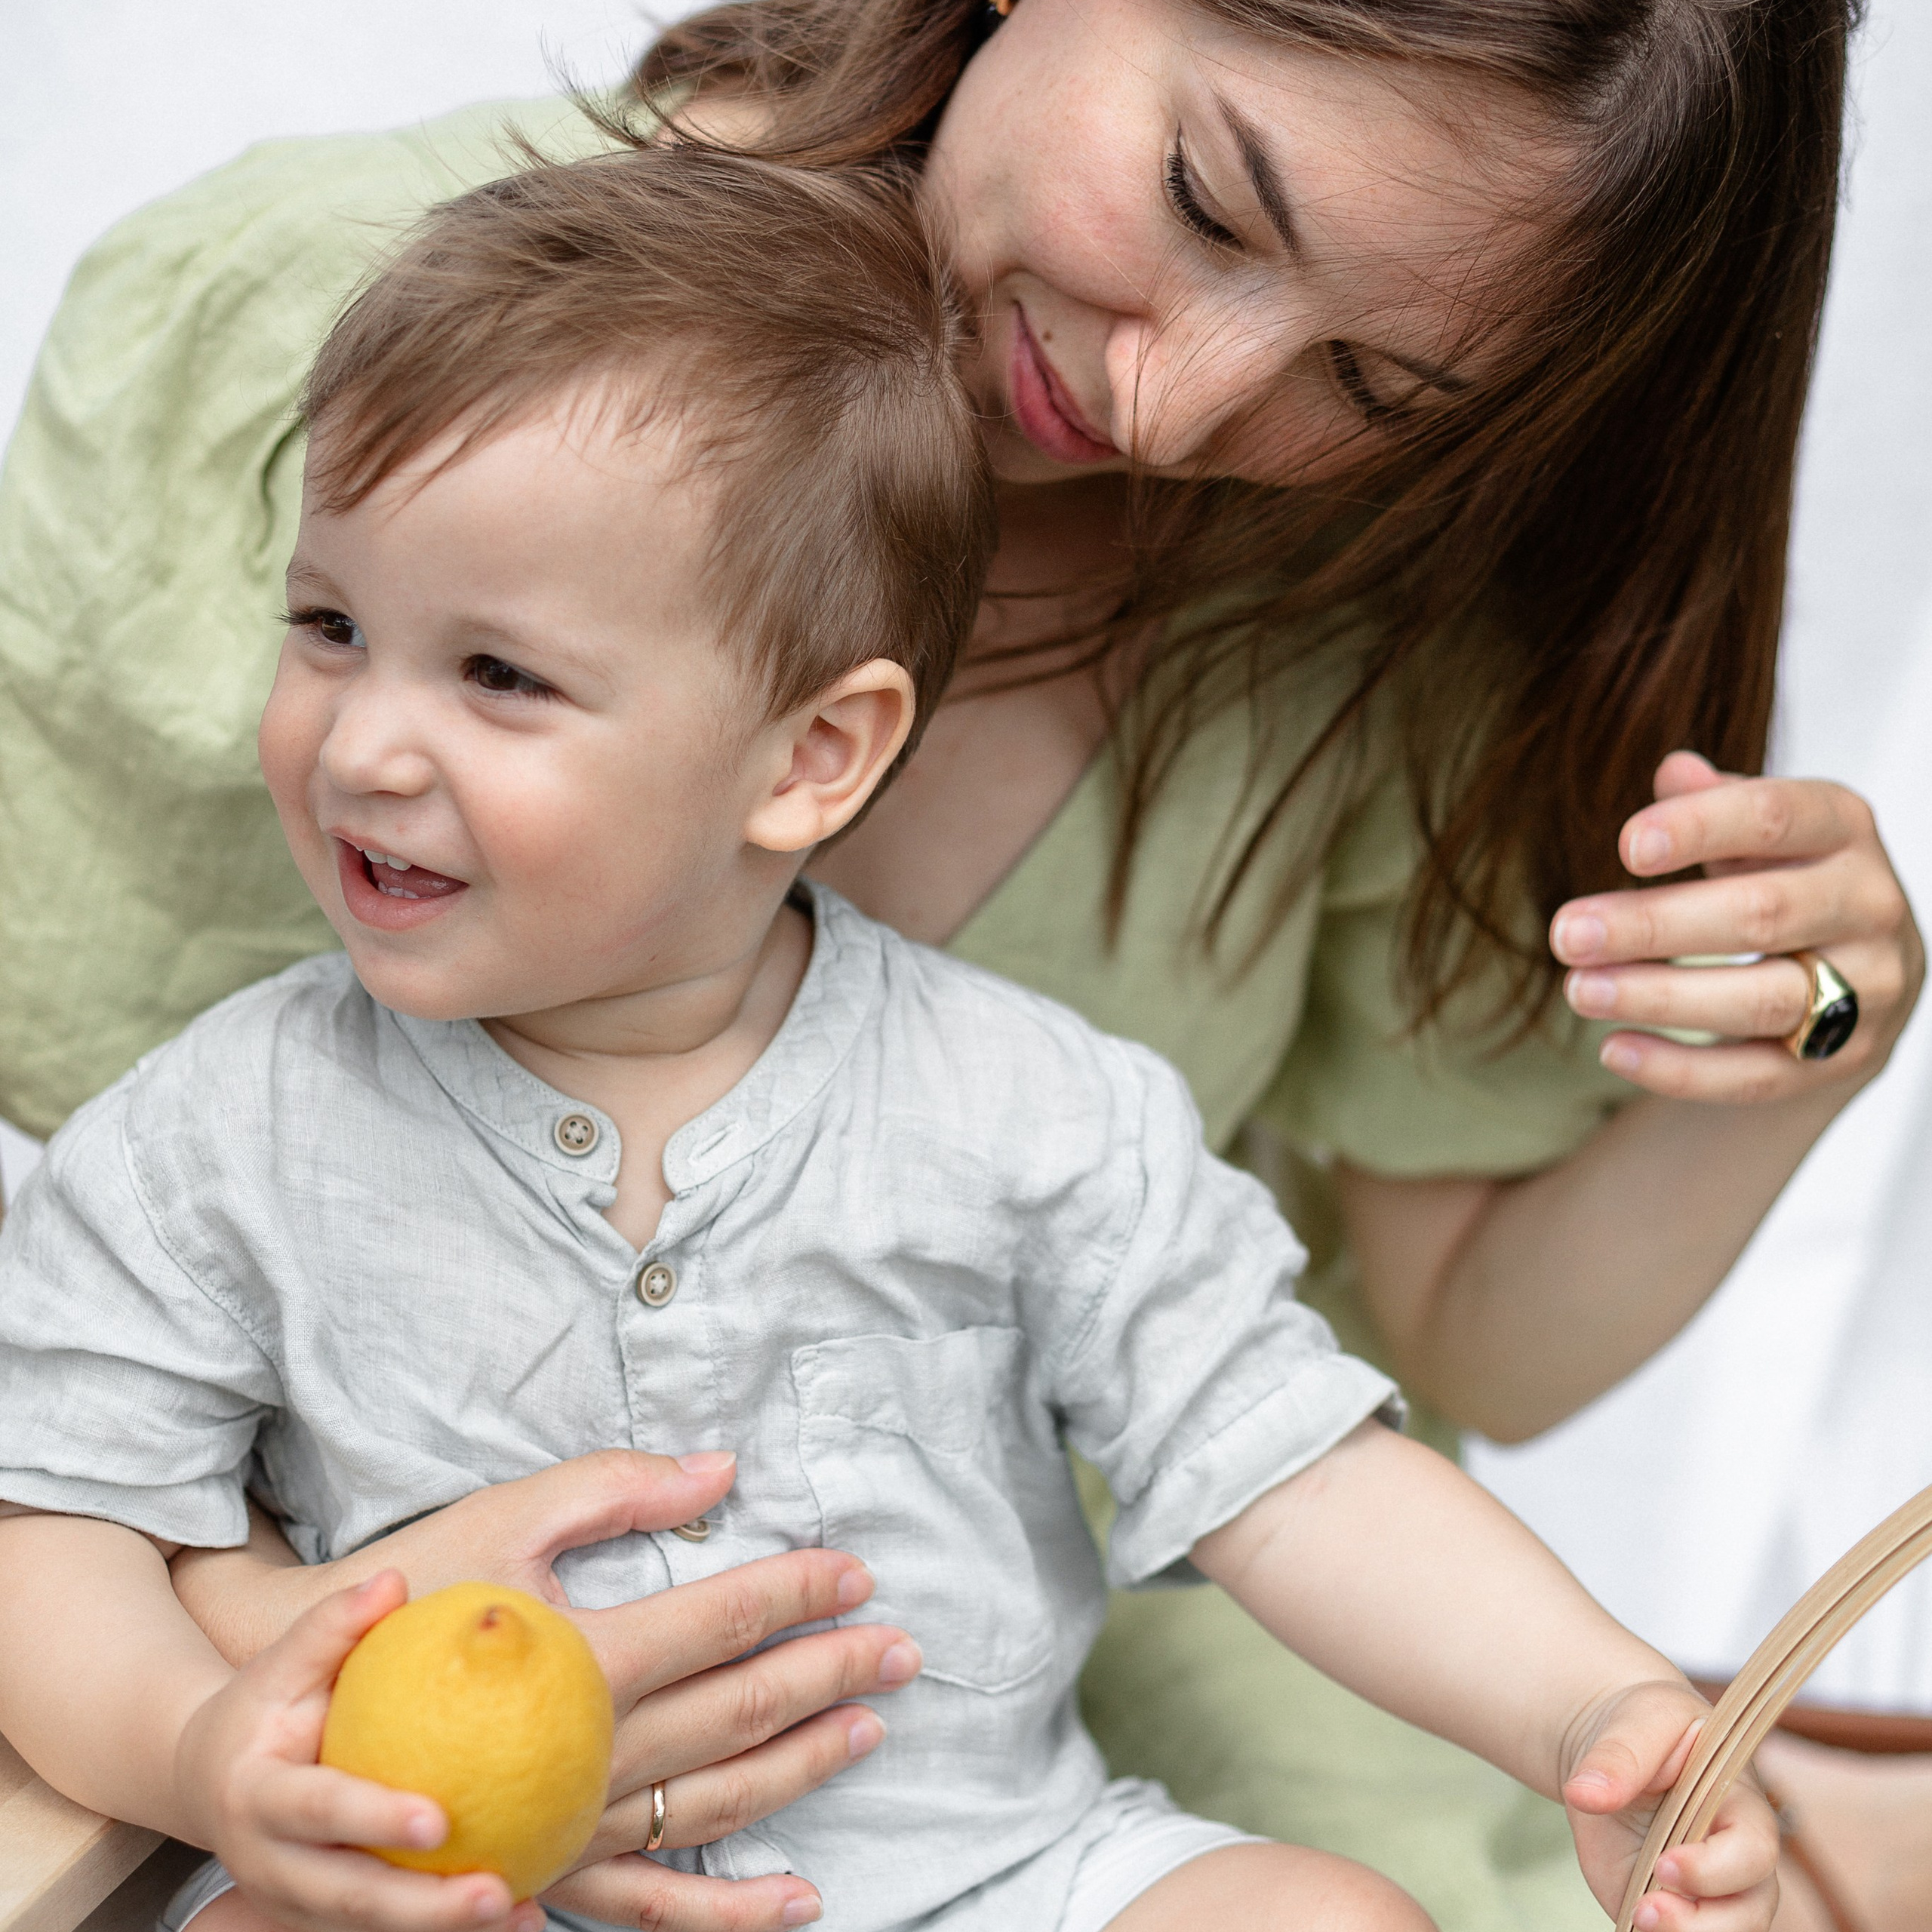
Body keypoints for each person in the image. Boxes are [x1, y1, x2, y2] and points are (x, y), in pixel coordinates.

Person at [0, 1, 1918, 1928]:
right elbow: (63, 1492)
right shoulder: (226, 1098)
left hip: (983, 1848)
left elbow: (1300, 1446)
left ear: (822, 749)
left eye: (1381, 384)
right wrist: (246, 1702)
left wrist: (1595, 1708)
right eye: (1203, 201)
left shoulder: (1036, 1095)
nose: (1180, 412)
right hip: (431, 1832)